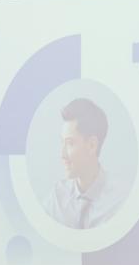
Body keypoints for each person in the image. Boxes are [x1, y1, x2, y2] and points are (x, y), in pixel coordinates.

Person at [43, 98, 125, 229]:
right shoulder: (57, 197)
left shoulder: (120, 202)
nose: (62, 155)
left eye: (70, 143)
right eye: (62, 142)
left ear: (92, 145)